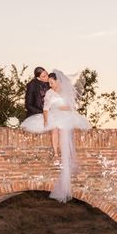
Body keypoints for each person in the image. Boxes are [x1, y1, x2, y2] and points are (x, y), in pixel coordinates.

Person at [21, 69, 90, 202]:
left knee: (65, 128)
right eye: (49, 82)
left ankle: (66, 154)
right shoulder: (49, 93)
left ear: (57, 81)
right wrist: (46, 120)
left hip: (65, 114)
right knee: (54, 128)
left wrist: (60, 108)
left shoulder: (65, 91)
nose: (50, 84)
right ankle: (55, 152)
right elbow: (46, 108)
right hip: (53, 115)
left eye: (52, 82)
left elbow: (71, 107)